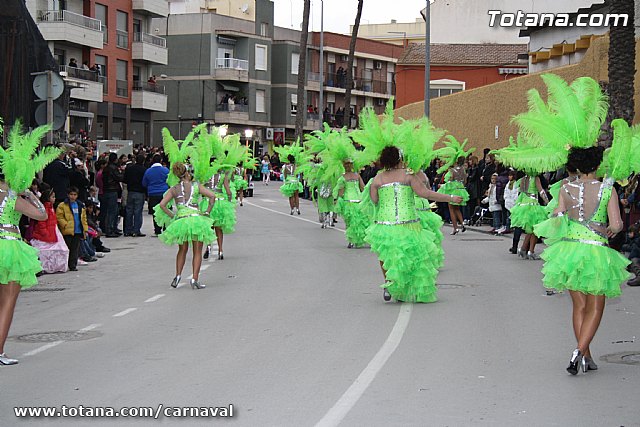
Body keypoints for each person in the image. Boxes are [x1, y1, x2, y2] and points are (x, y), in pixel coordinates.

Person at [535, 146, 631, 374]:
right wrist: (609, 229)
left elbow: (557, 216)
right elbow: (617, 225)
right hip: (596, 250)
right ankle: (579, 351)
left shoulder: (566, 188)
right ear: (597, 165)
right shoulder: (607, 190)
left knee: (579, 305)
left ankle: (586, 355)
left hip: (569, 251)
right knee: (596, 307)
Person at [367, 146, 462, 302]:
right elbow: (426, 193)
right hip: (408, 222)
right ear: (400, 159)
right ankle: (406, 286)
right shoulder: (408, 176)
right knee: (411, 254)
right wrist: (450, 197)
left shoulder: (378, 178)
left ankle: (389, 283)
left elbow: (374, 200)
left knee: (386, 255)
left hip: (385, 223)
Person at [158, 162, 215, 289]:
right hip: (196, 220)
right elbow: (212, 196)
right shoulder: (197, 186)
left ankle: (177, 276)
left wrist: (173, 215)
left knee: (182, 250)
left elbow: (162, 204)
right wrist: (207, 211)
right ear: (188, 173)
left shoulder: (174, 188)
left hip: (181, 221)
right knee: (197, 251)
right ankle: (194, 279)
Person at [29, 186, 69, 274]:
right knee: (45, 251)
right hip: (46, 233)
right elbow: (41, 222)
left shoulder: (51, 207)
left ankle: (54, 267)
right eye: (52, 197)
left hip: (53, 231)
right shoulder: (45, 208)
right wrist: (44, 232)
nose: (54, 199)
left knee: (59, 249)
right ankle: (45, 267)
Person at [510, 174, 548, 259]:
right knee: (536, 228)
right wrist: (547, 202)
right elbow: (541, 191)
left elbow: (522, 192)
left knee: (531, 229)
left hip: (523, 204)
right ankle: (531, 251)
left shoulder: (523, 179)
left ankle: (524, 249)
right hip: (533, 204)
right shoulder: (535, 178)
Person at [438, 150, 471, 235]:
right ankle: (462, 223)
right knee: (457, 208)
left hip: (453, 190)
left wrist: (446, 183)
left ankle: (455, 228)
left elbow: (450, 179)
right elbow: (465, 181)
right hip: (461, 189)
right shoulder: (463, 170)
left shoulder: (452, 170)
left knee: (451, 209)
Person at [56, 186, 89, 271]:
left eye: (75, 194)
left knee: (75, 249)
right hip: (67, 230)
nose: (73, 196)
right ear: (68, 195)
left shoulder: (80, 205)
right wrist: (65, 225)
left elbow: (84, 218)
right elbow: (59, 217)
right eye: (71, 194)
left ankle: (73, 265)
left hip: (78, 230)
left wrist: (85, 229)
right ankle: (65, 264)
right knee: (67, 248)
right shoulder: (62, 205)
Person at [142, 154, 170, 236]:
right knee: (166, 211)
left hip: (153, 193)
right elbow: (169, 181)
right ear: (161, 160)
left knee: (155, 212)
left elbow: (144, 183)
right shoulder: (165, 170)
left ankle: (157, 230)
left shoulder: (148, 171)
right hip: (164, 193)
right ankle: (166, 228)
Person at [123, 154, 147, 237]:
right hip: (140, 192)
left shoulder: (129, 169)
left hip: (131, 191)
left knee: (129, 211)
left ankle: (127, 230)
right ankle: (136, 230)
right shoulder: (144, 170)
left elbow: (125, 179)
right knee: (138, 211)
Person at [102, 153, 123, 237]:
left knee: (110, 210)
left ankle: (112, 228)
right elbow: (119, 177)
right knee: (112, 211)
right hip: (112, 190)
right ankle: (110, 230)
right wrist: (122, 172)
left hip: (107, 190)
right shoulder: (113, 168)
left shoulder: (106, 168)